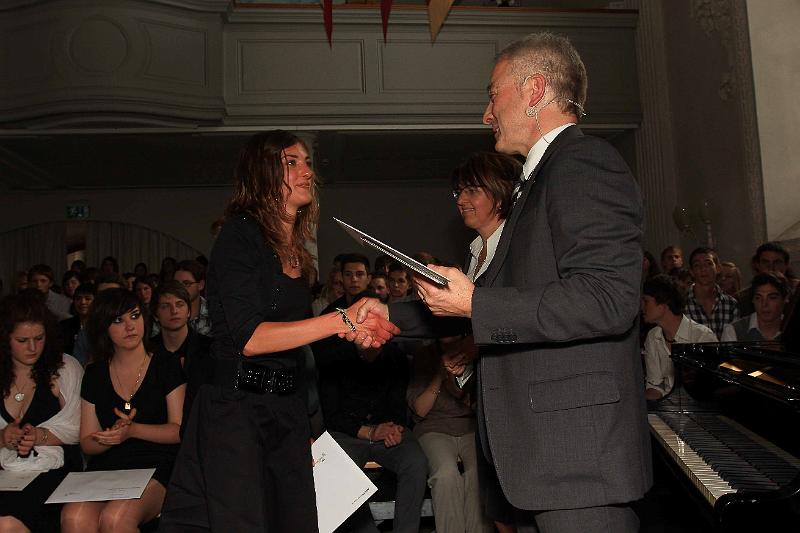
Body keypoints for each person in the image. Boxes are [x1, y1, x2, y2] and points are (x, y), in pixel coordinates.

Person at [358, 32, 651, 532]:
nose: (486, 113)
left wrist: (475, 303)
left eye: (493, 95)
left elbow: (607, 298)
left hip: (577, 460)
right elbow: (499, 302)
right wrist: (389, 314)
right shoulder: (536, 182)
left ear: (535, 90)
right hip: (540, 456)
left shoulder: (583, 163)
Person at [159, 130, 398, 532]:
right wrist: (344, 319)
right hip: (235, 411)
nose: (307, 171)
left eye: (307, 162)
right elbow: (250, 339)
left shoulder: (296, 251)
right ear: (262, 173)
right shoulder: (239, 235)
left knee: (298, 520)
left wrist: (302, 424)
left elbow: (294, 348)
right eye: (291, 162)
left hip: (284, 408)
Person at [60, 288, 185, 532]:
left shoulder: (166, 364)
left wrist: (132, 430)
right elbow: (87, 442)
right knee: (74, 517)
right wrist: (109, 437)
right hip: (109, 465)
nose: (130, 326)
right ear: (103, 328)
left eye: (135, 316)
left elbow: (178, 430)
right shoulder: (95, 373)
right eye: (118, 320)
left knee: (116, 518)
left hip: (158, 463)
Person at [0, 290, 83, 533]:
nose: (33, 347)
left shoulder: (64, 368)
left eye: (39, 338)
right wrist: (3, 438)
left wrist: (39, 436)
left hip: (54, 472)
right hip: (7, 473)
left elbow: (79, 428)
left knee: (6, 522)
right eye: (22, 341)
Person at [408, 335, 493, 533]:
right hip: (433, 427)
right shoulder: (425, 355)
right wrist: (440, 375)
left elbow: (479, 405)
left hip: (470, 426)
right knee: (446, 474)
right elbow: (420, 410)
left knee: (478, 474)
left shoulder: (473, 351)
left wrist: (461, 384)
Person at [641, 275, 717, 400]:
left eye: (646, 301)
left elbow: (709, 390)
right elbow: (655, 385)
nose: (642, 307)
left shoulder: (702, 337)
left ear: (663, 304)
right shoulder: (653, 336)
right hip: (668, 406)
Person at [684, 247, 739, 339]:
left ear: (718, 268)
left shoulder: (730, 304)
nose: (703, 268)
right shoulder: (681, 303)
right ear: (691, 272)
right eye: (697, 265)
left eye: (708, 263)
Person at [721, 272, 788, 342]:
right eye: (758, 298)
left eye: (772, 298)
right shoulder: (733, 331)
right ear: (753, 300)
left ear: (785, 299)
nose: (764, 304)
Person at [173, 260, 211, 336]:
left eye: (186, 283)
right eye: (176, 284)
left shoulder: (213, 312)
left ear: (200, 285)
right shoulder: (167, 312)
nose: (180, 288)